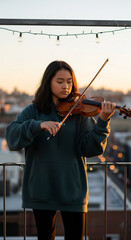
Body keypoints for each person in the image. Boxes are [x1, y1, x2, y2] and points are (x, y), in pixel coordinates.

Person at [5, 60, 116, 240]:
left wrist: (102, 121)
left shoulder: (80, 113)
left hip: (72, 188)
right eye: (60, 81)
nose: (66, 86)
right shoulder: (33, 111)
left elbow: (90, 149)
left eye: (69, 81)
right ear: (48, 82)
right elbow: (12, 138)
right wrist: (37, 125)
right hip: (41, 188)